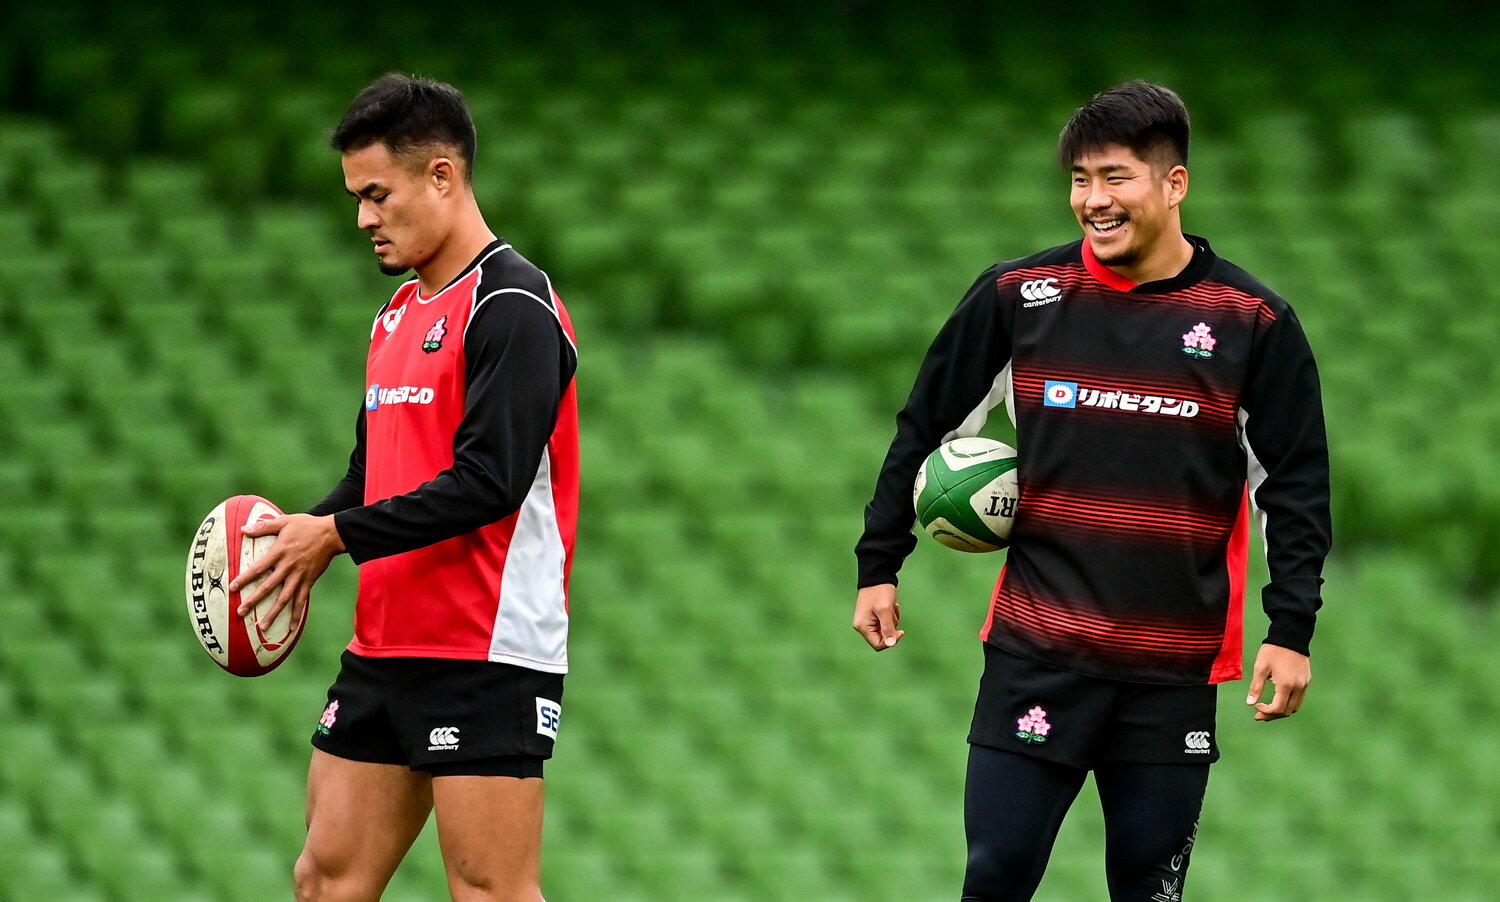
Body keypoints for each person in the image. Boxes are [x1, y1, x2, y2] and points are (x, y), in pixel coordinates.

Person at [851, 81, 1330, 901]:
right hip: (1037, 655)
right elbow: (923, 424)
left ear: (1174, 184)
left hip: (1169, 669)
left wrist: (1292, 628)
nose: (1092, 201)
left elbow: (1295, 487)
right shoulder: (1018, 296)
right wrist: (879, 561)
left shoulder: (1254, 322)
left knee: (1149, 891)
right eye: (1079, 179)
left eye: (1115, 177)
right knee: (994, 875)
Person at [228, 73, 579, 902]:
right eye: (356, 197)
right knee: (324, 881)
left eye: (377, 194)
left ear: (442, 177)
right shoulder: (394, 315)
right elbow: (369, 478)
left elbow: (489, 483)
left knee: (488, 889)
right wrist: (302, 531)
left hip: (484, 651)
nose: (362, 218)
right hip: (383, 645)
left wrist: (338, 538)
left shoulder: (513, 304)